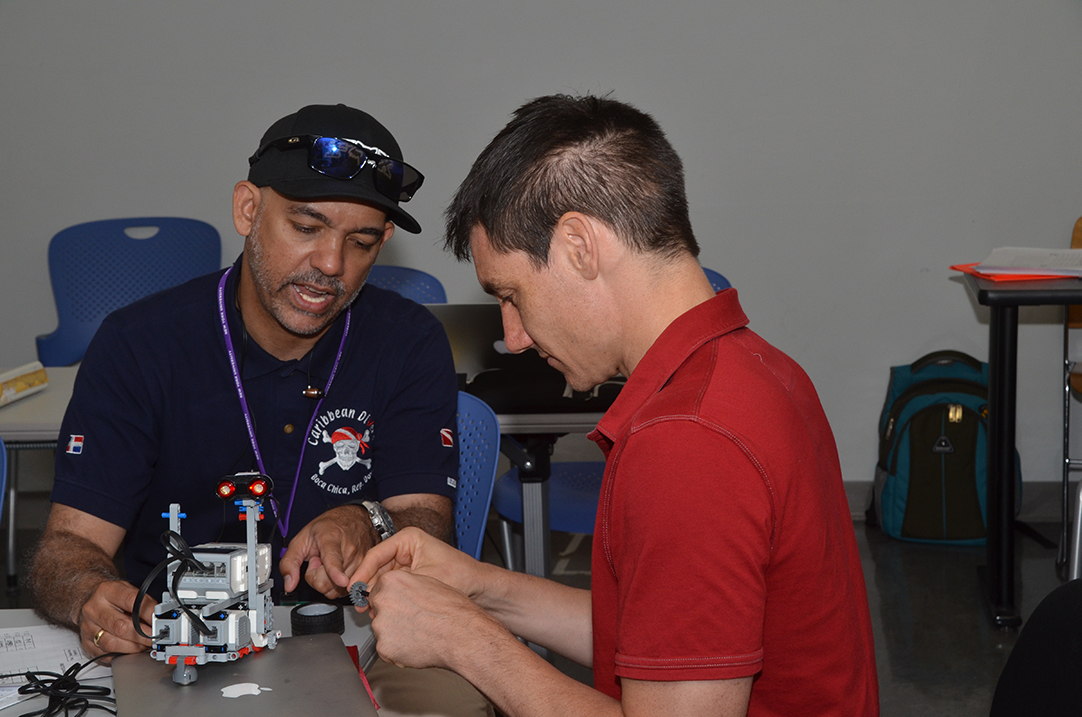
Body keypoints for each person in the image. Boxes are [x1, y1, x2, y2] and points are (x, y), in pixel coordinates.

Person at [345, 94, 880, 716]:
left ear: (579, 246)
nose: (513, 335)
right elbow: (661, 640)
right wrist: (475, 588)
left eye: (512, 294)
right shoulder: (755, 368)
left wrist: (464, 641)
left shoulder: (688, 440)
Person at [27, 103, 492, 717]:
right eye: (306, 227)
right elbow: (66, 549)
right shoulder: (140, 343)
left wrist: (369, 519)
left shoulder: (407, 341)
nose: (331, 264)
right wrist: (90, 594)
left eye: (361, 242)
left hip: (359, 636)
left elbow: (429, 528)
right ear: (248, 210)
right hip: (173, 646)